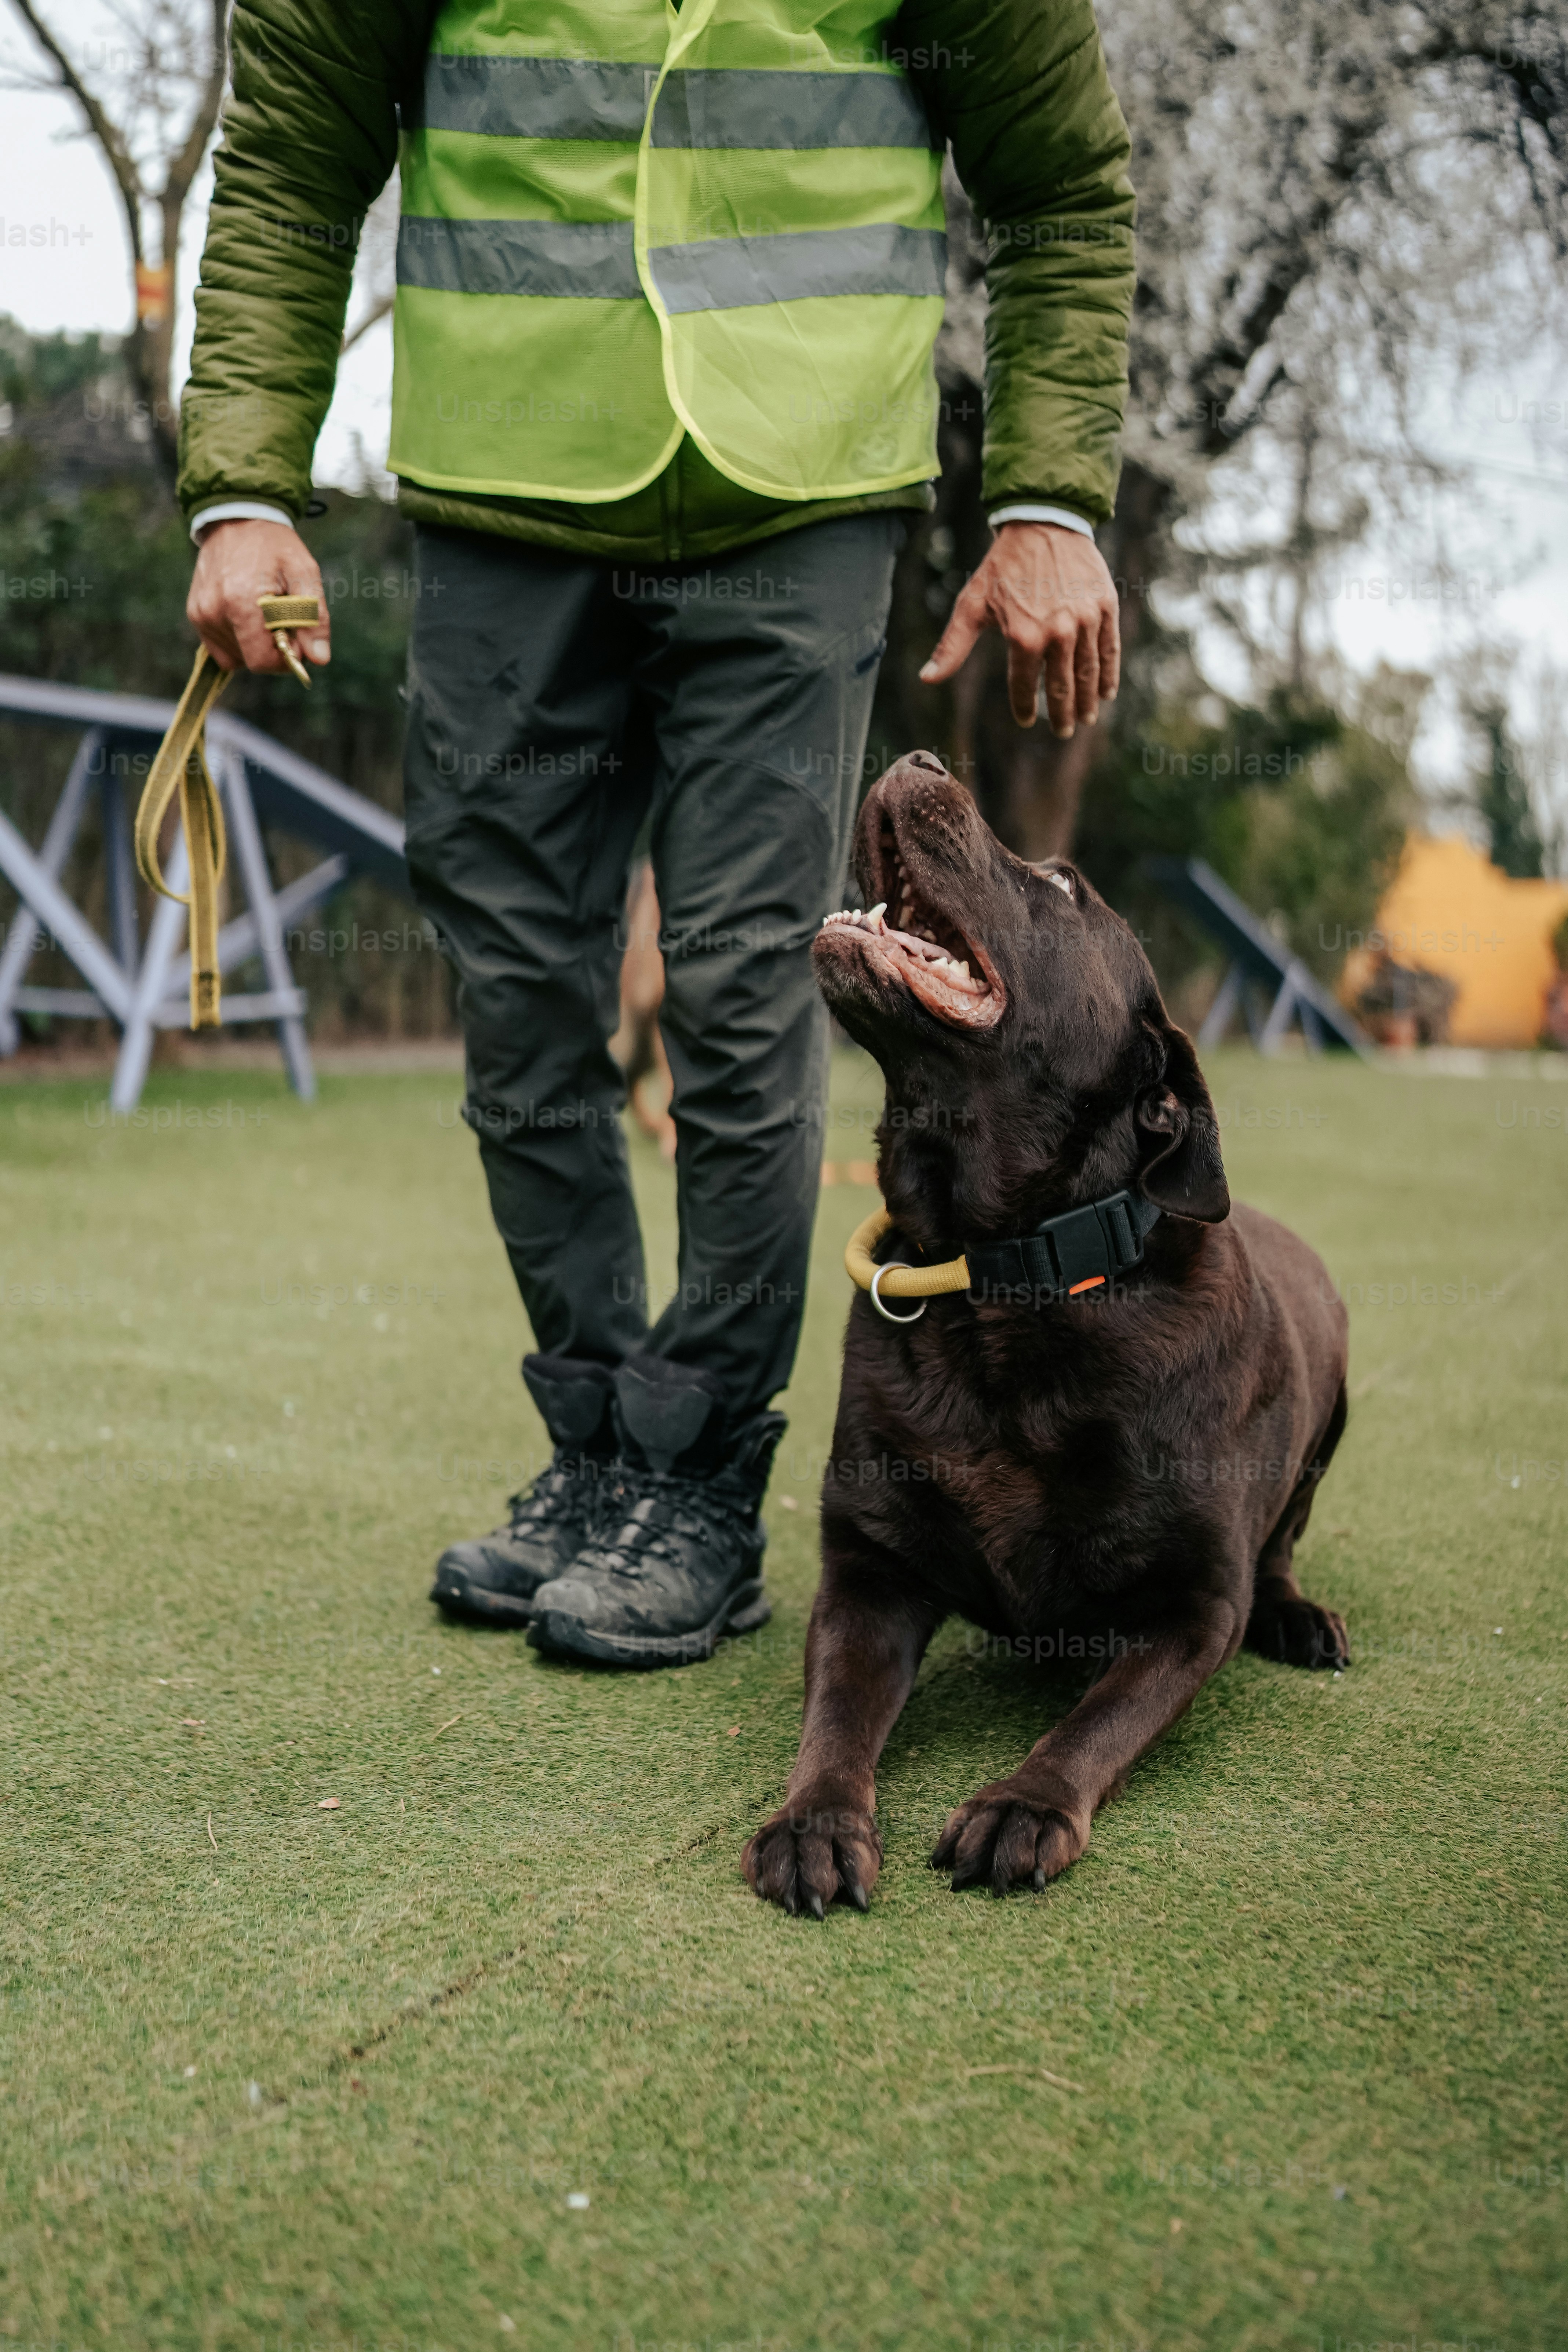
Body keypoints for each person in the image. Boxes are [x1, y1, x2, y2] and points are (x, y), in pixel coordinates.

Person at [180, 0, 1136, 1668]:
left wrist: (1046, 501)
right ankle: (595, 1437)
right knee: (519, 990)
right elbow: (286, 161)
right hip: (504, 485)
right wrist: (245, 481)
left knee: (746, 982)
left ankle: (697, 1475)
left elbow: (1060, 182)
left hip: (805, 489)